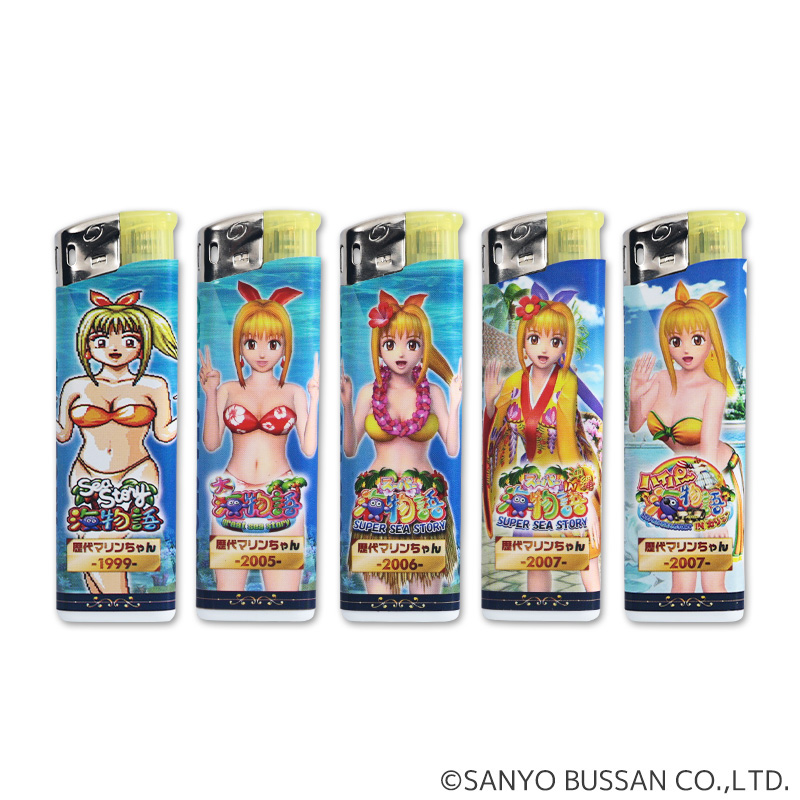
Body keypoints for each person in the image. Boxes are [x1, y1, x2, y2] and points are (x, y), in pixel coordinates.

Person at [199, 282, 318, 592]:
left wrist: (316, 397)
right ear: (239, 346)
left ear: (285, 348)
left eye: (273, 343)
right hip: (232, 493)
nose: (262, 353)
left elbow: (309, 449)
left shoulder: (293, 392)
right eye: (252, 343)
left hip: (281, 494)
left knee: (285, 597)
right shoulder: (228, 389)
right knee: (227, 597)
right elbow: (211, 444)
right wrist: (210, 393)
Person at [341, 290, 462, 594]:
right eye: (390, 344)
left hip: (426, 499)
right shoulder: (367, 393)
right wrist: (346, 403)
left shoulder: (434, 393)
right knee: (379, 602)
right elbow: (350, 449)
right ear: (379, 348)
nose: (401, 353)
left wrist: (456, 402)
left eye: (412, 344)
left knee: (427, 603)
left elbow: (452, 449)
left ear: (423, 348)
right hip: (376, 502)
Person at [57, 290, 178, 593]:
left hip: (136, 469)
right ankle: (107, 603)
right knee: (87, 539)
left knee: (106, 537)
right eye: (101, 341)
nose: (114, 348)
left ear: (141, 348)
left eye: (128, 341)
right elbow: (62, 433)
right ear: (87, 349)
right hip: (86, 470)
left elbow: (164, 433)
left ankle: (118, 601)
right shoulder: (74, 386)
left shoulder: (154, 385)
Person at [628, 280, 743, 593]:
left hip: (717, 476)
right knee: (681, 575)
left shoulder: (713, 389)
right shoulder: (660, 379)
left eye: (696, 339)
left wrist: (714, 512)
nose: (686, 349)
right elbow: (635, 425)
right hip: (680, 479)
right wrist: (635, 398)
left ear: (711, 343)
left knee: (712, 579)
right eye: (676, 340)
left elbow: (707, 450)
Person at [484, 289, 601, 592]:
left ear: (565, 346)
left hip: (570, 473)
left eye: (556, 341)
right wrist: (489, 403)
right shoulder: (513, 382)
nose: (544, 349)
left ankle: (596, 605)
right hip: (531, 479)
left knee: (586, 553)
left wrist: (584, 499)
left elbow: (567, 442)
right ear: (523, 341)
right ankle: (538, 611)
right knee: (537, 557)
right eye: (535, 339)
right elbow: (497, 436)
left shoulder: (567, 380)